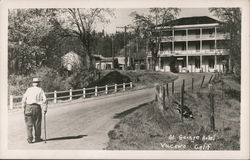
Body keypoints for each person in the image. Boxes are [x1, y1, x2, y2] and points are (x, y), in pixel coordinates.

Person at [21, 77, 47, 143]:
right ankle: (37, 138)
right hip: (36, 107)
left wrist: (23, 108)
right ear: (38, 83)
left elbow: (24, 99)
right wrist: (45, 109)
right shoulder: (40, 90)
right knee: (37, 123)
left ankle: (30, 139)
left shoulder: (28, 90)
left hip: (28, 107)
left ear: (33, 84)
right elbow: (44, 100)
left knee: (29, 124)